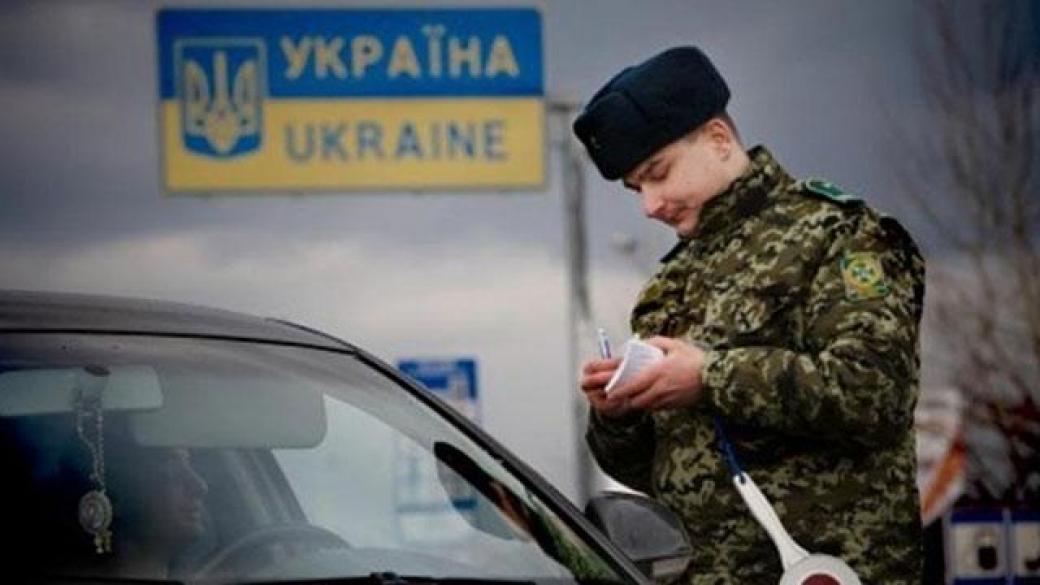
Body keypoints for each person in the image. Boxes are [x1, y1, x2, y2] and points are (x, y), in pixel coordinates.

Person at [573, 46, 925, 584]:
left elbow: (875, 392)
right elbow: (657, 474)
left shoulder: (839, 235)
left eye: (658, 173)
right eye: (637, 188)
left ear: (718, 139)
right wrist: (618, 413)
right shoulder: (671, 283)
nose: (650, 205)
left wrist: (708, 377)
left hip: (825, 571)